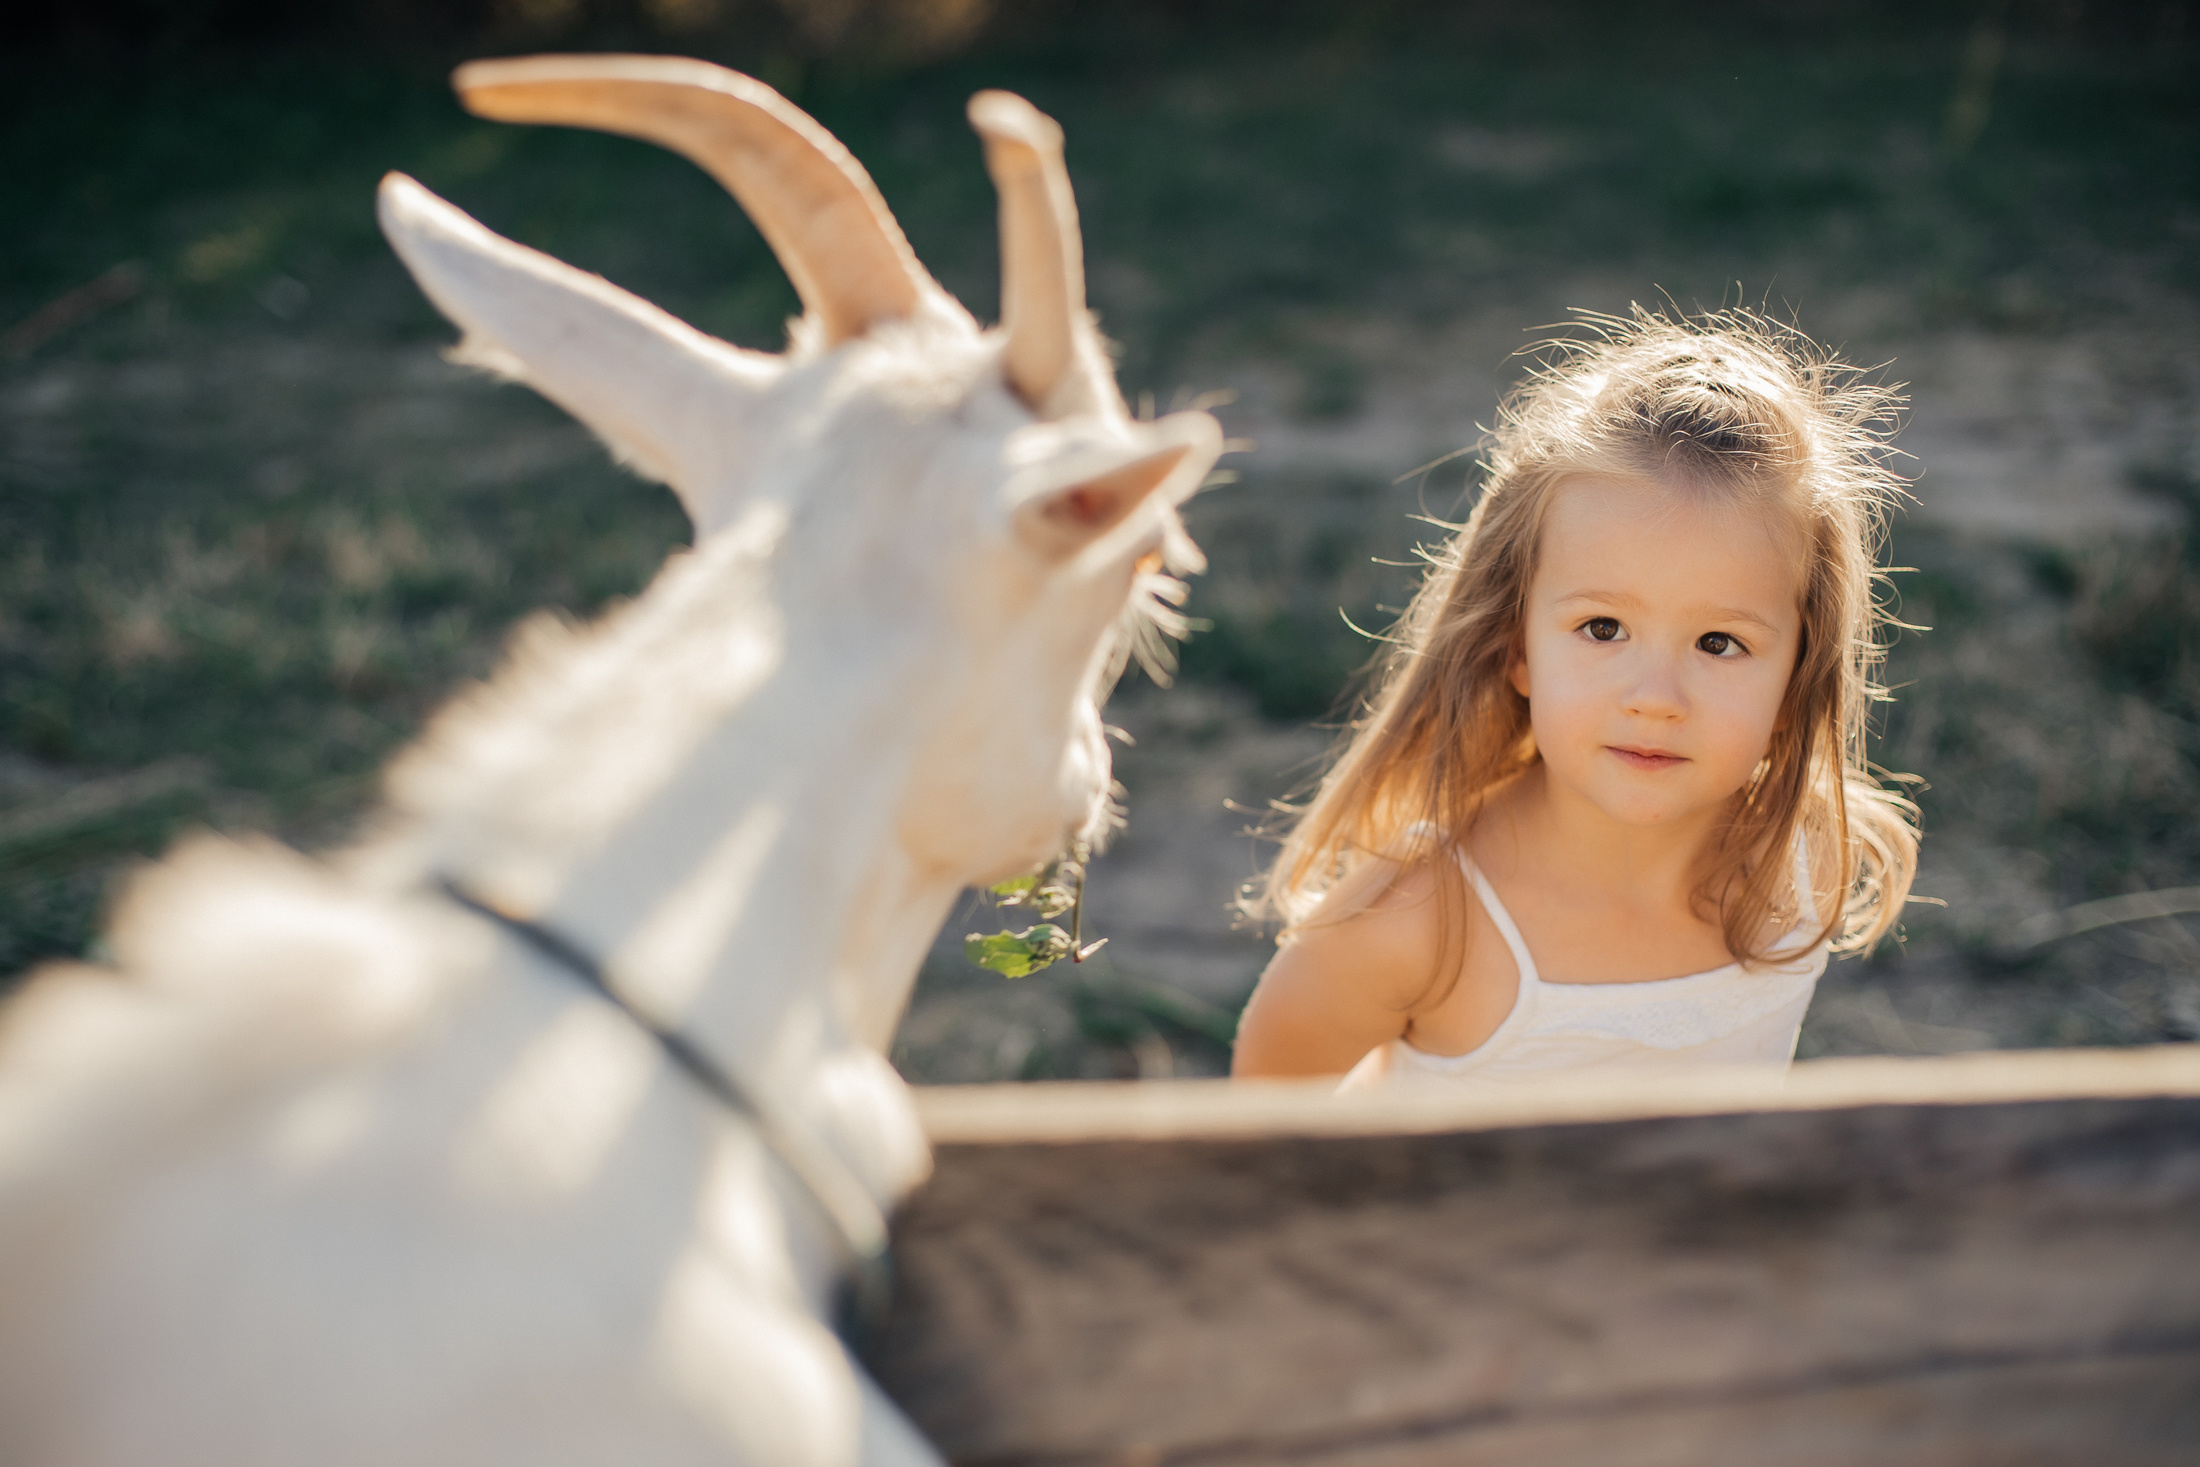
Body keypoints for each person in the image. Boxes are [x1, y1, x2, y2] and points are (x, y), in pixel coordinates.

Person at [1230, 308, 1920, 1088]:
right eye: (1603, 627)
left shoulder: (1803, 858)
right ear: (1514, 645)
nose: (1656, 699)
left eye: (1719, 643)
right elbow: (1265, 1116)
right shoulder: (1414, 921)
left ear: (1801, 673)